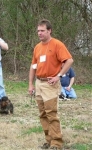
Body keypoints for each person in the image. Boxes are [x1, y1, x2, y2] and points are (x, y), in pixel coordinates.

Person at [28, 19, 73, 149]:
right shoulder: (37, 47)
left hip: (50, 84)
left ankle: (57, 143)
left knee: (51, 114)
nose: (39, 33)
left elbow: (69, 60)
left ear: (49, 30)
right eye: (38, 31)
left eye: (42, 31)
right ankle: (49, 140)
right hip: (39, 83)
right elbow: (33, 66)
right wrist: (30, 84)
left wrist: (58, 76)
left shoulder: (57, 44)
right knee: (42, 114)